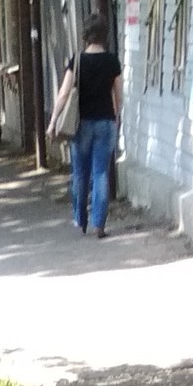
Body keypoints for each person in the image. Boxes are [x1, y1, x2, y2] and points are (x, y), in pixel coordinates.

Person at [49, 16, 122, 240]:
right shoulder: (112, 61)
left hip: (80, 125)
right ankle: (99, 224)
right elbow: (119, 95)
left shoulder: (77, 60)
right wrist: (117, 117)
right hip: (105, 122)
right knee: (101, 173)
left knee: (80, 173)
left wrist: (53, 121)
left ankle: (80, 219)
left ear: (85, 36)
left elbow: (63, 93)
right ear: (104, 36)